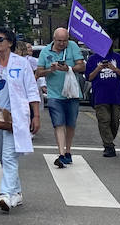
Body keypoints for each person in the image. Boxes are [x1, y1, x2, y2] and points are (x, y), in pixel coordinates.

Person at [0, 28, 41, 210]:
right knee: (2, 156)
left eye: (0, 39)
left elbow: (32, 89)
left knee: (9, 156)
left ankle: (6, 194)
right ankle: (17, 193)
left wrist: (36, 115)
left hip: (15, 117)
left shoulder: (21, 63)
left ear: (10, 42)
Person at [36, 27, 86, 168]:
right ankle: (61, 154)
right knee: (58, 123)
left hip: (72, 93)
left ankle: (68, 150)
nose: (62, 43)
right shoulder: (45, 52)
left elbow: (81, 66)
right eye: (59, 41)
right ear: (53, 39)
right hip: (54, 94)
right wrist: (50, 70)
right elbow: (39, 72)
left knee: (70, 123)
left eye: (65, 40)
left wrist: (69, 68)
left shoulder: (73, 46)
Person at [86, 44, 120, 157]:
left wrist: (114, 69)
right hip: (100, 96)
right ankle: (108, 145)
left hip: (115, 96)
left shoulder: (118, 57)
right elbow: (89, 77)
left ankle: (109, 140)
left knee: (115, 120)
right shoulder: (93, 59)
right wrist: (98, 68)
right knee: (104, 120)